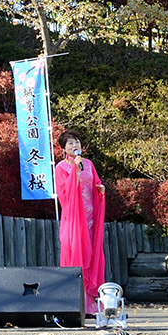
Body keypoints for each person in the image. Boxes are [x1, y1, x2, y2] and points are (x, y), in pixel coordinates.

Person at [54, 134, 106, 315]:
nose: (75, 145)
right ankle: (75, 304)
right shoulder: (61, 168)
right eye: (70, 143)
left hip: (90, 217)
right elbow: (64, 193)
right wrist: (75, 169)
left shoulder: (89, 164)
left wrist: (100, 189)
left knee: (91, 256)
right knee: (77, 256)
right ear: (63, 148)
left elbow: (95, 183)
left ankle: (91, 305)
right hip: (74, 220)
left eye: (77, 142)